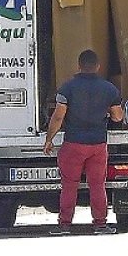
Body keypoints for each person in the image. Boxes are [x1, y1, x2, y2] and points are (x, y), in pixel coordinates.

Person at [43, 49, 123, 235]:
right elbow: (118, 117)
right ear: (98, 67)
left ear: (79, 66)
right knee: (97, 185)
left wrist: (49, 139)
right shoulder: (109, 89)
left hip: (73, 144)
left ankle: (64, 225)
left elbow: (57, 117)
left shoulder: (67, 88)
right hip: (98, 145)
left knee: (69, 185)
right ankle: (100, 224)